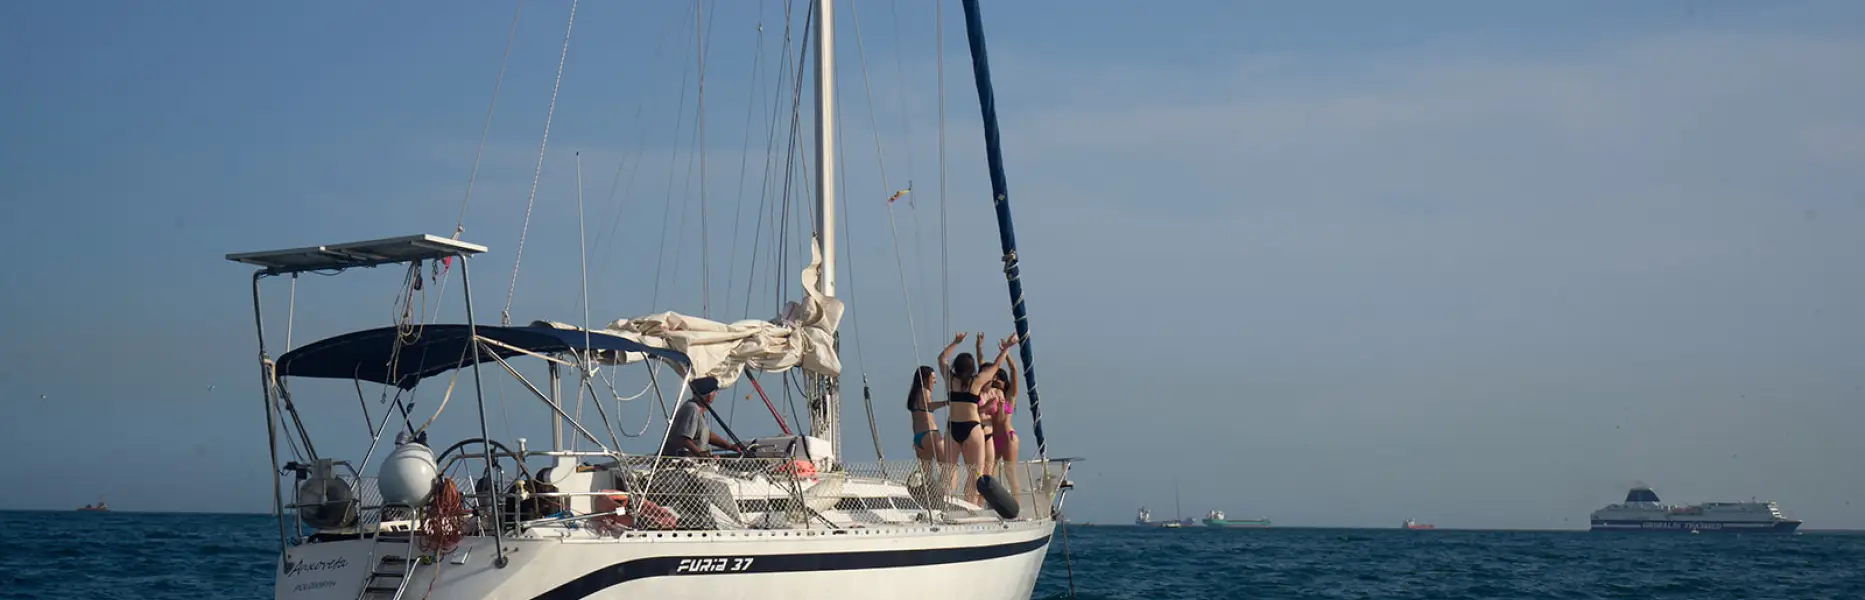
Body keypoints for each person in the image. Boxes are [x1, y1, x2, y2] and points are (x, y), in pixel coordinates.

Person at [938, 332, 1018, 497]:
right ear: (972, 367)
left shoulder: (950, 380)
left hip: (952, 427)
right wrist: (1007, 348)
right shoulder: (977, 381)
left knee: (948, 471)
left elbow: (941, 358)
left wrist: (956, 342)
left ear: (956, 367)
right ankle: (972, 506)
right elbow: (996, 366)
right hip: (973, 428)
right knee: (977, 473)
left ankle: (945, 506)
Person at [661, 376, 745, 458]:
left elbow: (707, 435)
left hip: (693, 464)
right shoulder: (692, 409)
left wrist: (730, 446)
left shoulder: (698, 410)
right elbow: (683, 438)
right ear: (709, 396)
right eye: (715, 392)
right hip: (681, 464)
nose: (716, 395)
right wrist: (700, 454)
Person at [906, 366, 949, 461]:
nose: (935, 381)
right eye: (933, 378)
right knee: (947, 466)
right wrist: (946, 403)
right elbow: (929, 405)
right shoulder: (925, 391)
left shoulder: (914, 395)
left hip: (918, 438)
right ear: (925, 380)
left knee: (927, 473)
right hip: (930, 434)